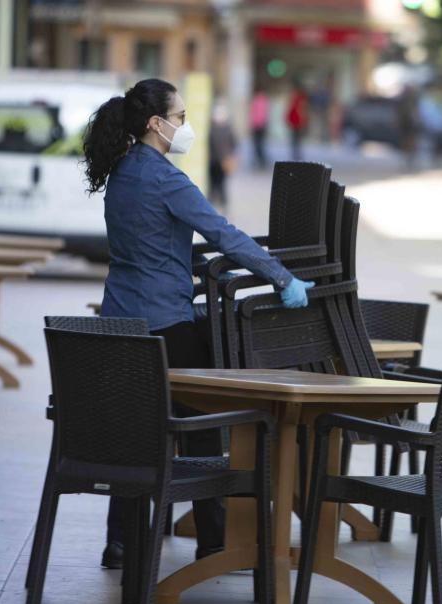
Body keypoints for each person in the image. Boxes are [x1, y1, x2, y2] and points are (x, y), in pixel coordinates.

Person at [82, 78, 314, 567]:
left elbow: (149, 247)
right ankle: (214, 538)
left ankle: (120, 542)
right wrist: (281, 277)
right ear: (156, 124)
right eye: (181, 118)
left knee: (132, 431)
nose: (185, 127)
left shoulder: (121, 173)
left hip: (121, 324)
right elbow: (224, 233)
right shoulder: (165, 179)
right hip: (167, 326)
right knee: (206, 420)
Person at [208, 101, 238, 207]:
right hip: (217, 160)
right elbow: (234, 144)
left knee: (218, 183)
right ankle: (219, 201)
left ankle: (220, 201)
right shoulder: (223, 128)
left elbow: (233, 144)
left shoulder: (213, 129)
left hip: (219, 160)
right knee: (217, 183)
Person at [286, 81, 309, 161]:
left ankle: (297, 155)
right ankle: (295, 155)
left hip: (298, 122)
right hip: (294, 122)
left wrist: (302, 121)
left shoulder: (299, 98)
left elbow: (302, 110)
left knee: (297, 140)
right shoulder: (294, 99)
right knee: (294, 140)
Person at [249, 86, 270, 170]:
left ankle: (261, 160)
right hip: (261, 125)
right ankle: (261, 160)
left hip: (257, 126)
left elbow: (253, 114)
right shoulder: (264, 100)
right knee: (259, 144)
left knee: (258, 144)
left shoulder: (257, 101)